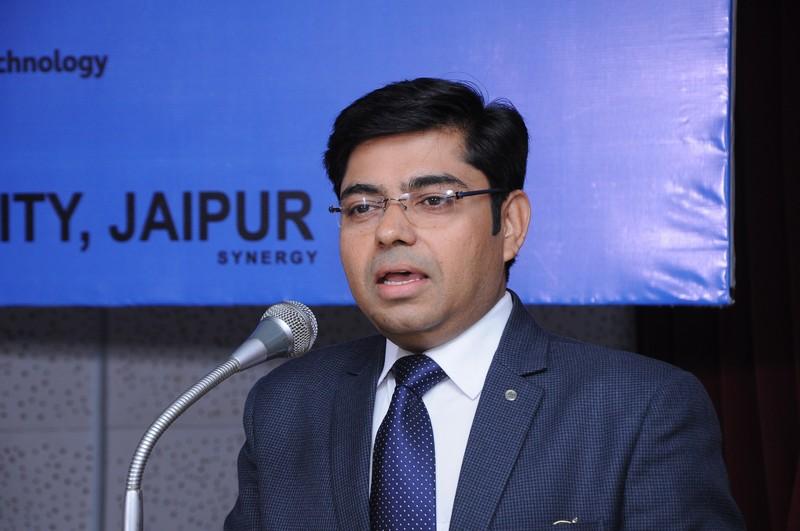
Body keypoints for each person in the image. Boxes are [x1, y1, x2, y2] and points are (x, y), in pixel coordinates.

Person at [225, 78, 743, 530]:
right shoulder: (287, 406)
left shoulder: (638, 408)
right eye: (362, 207)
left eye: (433, 200)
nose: (389, 231)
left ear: (510, 224)